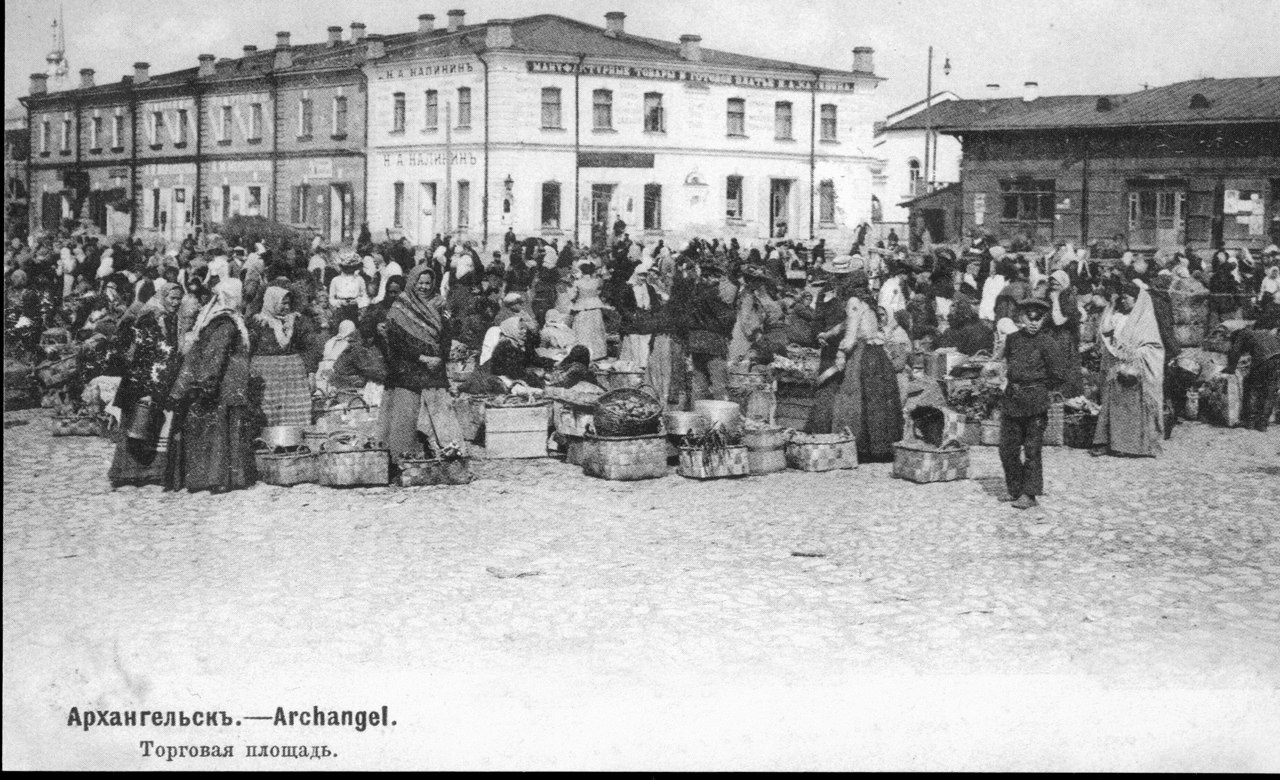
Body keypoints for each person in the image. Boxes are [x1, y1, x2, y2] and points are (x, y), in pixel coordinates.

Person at [165, 278, 255, 494]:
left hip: (224, 385)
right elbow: (215, 357)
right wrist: (208, 384)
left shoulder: (218, 320)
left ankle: (220, 478)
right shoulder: (225, 323)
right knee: (219, 435)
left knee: (217, 433)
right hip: (223, 387)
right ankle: (217, 479)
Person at [379, 264, 465, 462]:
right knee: (406, 415)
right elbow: (396, 341)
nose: (424, 287)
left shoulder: (440, 304)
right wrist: (422, 358)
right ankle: (402, 458)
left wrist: (440, 358)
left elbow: (446, 336)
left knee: (439, 412)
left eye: (428, 283)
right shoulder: (400, 307)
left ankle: (449, 455)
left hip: (434, 368)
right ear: (412, 283)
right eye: (420, 283)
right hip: (408, 367)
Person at [816, 269, 904, 461]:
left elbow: (851, 335)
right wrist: (828, 334)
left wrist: (840, 355)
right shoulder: (867, 301)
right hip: (878, 355)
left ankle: (857, 446)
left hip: (863, 355)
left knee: (853, 398)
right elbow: (846, 324)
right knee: (877, 401)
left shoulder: (853, 302)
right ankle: (880, 447)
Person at [108, 281, 184, 487]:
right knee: (136, 425)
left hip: (156, 380)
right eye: (172, 298)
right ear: (163, 297)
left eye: (179, 299)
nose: (176, 303)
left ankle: (148, 473)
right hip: (141, 382)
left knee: (149, 427)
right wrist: (148, 389)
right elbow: (144, 355)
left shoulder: (169, 318)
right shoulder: (150, 318)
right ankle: (127, 473)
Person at [998, 296, 1070, 510]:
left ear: (1043, 319)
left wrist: (1039, 387)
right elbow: (1006, 362)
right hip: (1013, 399)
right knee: (1007, 449)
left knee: (1032, 450)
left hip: (1035, 402)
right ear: (1021, 317)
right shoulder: (1012, 339)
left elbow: (1059, 374)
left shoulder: (1048, 342)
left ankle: (1029, 494)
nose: (1033, 323)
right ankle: (1016, 488)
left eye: (1038, 319)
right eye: (1029, 318)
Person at [1092, 281, 1166, 457]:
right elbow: (1106, 331)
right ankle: (1114, 444)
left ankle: (1135, 447)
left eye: (1127, 298)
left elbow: (1154, 348)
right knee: (1116, 409)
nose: (1123, 301)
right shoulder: (1120, 317)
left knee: (1134, 411)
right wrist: (1110, 305)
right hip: (1119, 369)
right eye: (1122, 298)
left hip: (1137, 374)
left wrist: (1136, 353)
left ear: (1137, 300)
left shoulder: (1146, 320)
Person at [249, 286, 321, 428]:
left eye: (288, 303)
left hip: (293, 375)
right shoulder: (257, 323)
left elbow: (309, 348)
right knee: (269, 408)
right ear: (272, 302)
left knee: (294, 410)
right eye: (283, 303)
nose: (286, 307)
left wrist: (311, 372)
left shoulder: (296, 322)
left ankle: (295, 440)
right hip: (266, 375)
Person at [1223, 307, 1280, 432]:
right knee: (1270, 391)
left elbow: (1235, 352)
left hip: (1264, 359)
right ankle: (1263, 424)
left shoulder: (1243, 334)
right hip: (1277, 357)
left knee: (1252, 386)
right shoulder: (1265, 332)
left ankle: (1250, 421)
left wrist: (1230, 369)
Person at [1045, 269, 1084, 398]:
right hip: (1054, 338)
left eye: (1057, 285)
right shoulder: (1050, 297)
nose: (1054, 288)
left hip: (1065, 340)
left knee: (1065, 371)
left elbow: (1058, 321)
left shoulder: (1068, 299)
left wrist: (1055, 300)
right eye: (1052, 285)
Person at [569, 262, 607, 360]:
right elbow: (600, 292)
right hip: (595, 308)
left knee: (583, 332)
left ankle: (582, 354)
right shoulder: (596, 281)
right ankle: (598, 353)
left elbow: (572, 296)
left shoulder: (577, 282)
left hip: (582, 308)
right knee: (595, 331)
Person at [329, 252, 370, 326]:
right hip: (340, 309)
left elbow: (364, 296)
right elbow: (331, 298)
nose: (349, 269)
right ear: (342, 267)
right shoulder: (335, 280)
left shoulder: (359, 279)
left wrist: (357, 301)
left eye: (352, 267)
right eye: (346, 267)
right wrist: (340, 302)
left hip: (355, 309)